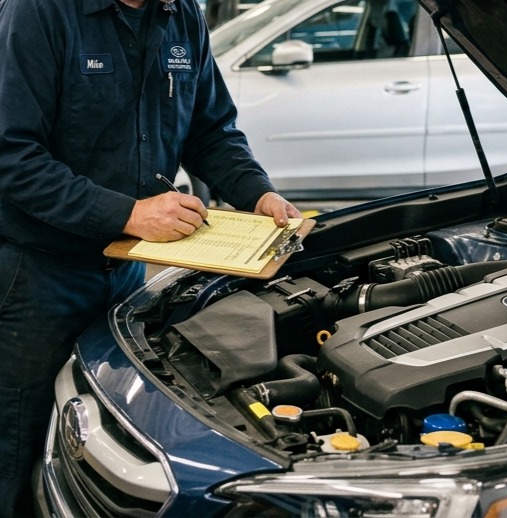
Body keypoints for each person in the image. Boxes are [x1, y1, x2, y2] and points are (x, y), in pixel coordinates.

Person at [0, 0, 301, 515]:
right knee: (23, 441)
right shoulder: (39, 12)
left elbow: (211, 132)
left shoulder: (181, 14)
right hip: (40, 277)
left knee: (115, 432)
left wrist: (257, 193)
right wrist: (128, 215)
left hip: (130, 274)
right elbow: (12, 155)